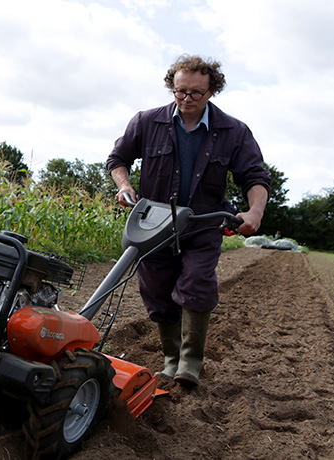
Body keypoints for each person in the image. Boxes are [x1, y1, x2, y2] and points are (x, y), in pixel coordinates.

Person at [106, 54, 271, 388]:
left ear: (212, 91)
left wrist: (255, 212)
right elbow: (117, 159)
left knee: (196, 283)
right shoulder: (147, 122)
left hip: (203, 224)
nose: (186, 99)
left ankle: (190, 363)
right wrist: (124, 186)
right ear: (172, 86)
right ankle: (171, 359)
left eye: (196, 93)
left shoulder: (233, 131)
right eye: (180, 91)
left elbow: (254, 176)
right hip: (155, 225)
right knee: (156, 290)